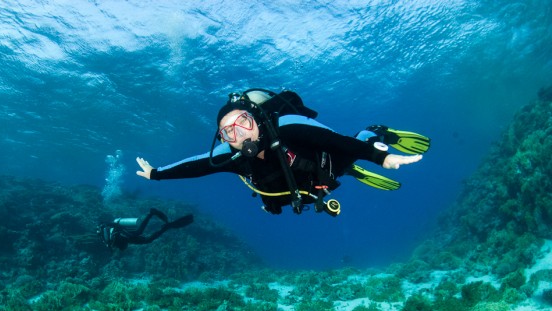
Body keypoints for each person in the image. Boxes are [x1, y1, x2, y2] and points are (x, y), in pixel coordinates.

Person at [135, 89, 428, 215]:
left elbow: (337, 142)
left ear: (256, 119)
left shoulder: (286, 128)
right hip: (302, 189)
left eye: (243, 122)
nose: (239, 134)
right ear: (223, 139)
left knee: (354, 146)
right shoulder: (232, 156)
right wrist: (156, 174)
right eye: (228, 132)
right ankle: (352, 169)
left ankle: (376, 132)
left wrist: (381, 157)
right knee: (273, 203)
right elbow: (196, 166)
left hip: (330, 161)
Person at [98, 208, 193, 250]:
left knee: (143, 235)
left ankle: (156, 218)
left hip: (121, 234)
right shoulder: (105, 233)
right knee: (142, 235)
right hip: (121, 233)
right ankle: (154, 217)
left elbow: (122, 247)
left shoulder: (106, 238)